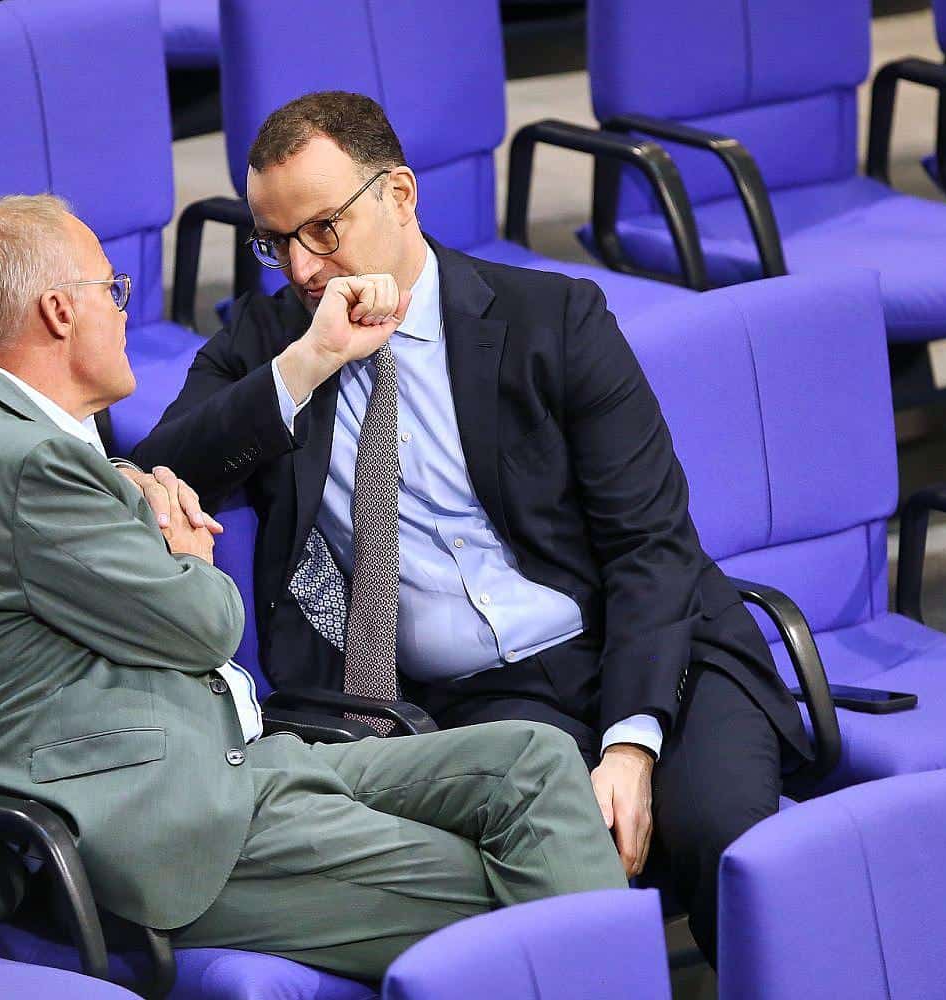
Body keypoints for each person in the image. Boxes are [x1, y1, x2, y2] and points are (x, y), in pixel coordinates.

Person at [131, 91, 811, 963]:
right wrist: (311, 361)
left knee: (724, 842)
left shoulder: (553, 319)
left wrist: (630, 748)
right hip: (482, 703)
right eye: (275, 241)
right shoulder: (273, 342)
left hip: (651, 648)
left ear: (400, 196)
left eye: (323, 229)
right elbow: (159, 474)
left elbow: (651, 544)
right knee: (550, 864)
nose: (300, 266)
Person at [0, 194, 626, 979]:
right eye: (113, 290)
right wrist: (186, 553)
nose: (126, 312)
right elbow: (207, 623)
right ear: (60, 312)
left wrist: (127, 485)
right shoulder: (31, 464)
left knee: (537, 763)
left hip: (236, 759)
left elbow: (47, 528)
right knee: (525, 885)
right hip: (161, 827)